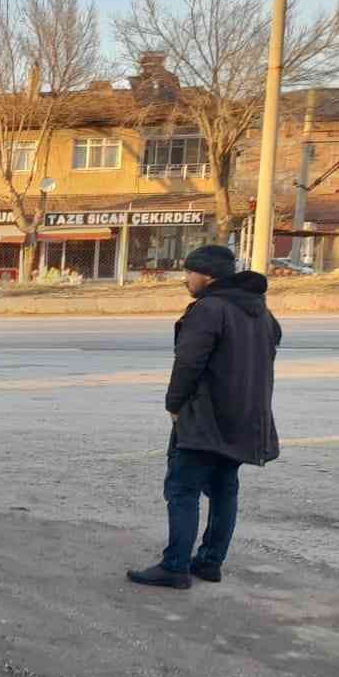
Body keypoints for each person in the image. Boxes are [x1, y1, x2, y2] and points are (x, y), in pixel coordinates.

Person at [127, 245, 280, 590]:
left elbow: (188, 363)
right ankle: (210, 562)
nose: (185, 279)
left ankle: (175, 566)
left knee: (182, 489)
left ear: (206, 275)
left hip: (206, 418)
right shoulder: (259, 311)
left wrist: (174, 405)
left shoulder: (210, 309)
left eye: (189, 272)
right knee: (225, 490)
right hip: (244, 418)